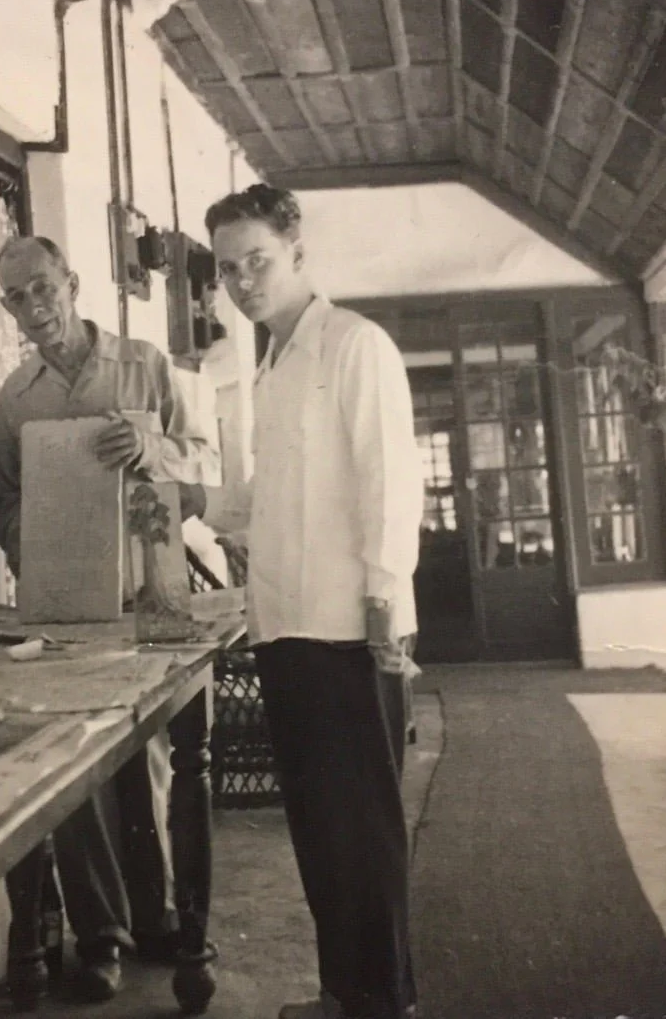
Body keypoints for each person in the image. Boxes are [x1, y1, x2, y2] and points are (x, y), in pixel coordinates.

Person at [186, 185, 422, 1019]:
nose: (243, 281)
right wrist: (192, 500)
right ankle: (341, 997)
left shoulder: (353, 345)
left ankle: (383, 1003)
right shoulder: (273, 366)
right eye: (227, 269)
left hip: (349, 633)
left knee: (364, 835)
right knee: (322, 834)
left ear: (295, 255)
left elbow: (391, 486)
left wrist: (385, 612)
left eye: (257, 261)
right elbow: (262, 503)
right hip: (282, 627)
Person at [0, 235, 217, 1000]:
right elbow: (4, 502)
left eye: (43, 286)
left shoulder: (144, 363)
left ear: (73, 283)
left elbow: (206, 467)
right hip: (68, 602)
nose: (34, 306)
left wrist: (151, 446)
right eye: (16, 297)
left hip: (152, 587)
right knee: (77, 761)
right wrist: (36, 544)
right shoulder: (15, 399)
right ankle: (102, 938)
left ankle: (156, 919)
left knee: (150, 761)